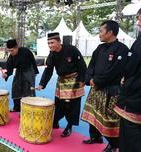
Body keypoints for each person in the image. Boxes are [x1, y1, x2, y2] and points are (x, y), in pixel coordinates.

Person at [81, 20, 129, 152]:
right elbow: (91, 65)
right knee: (93, 115)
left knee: (109, 119)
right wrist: (89, 78)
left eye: (101, 31)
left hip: (111, 90)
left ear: (110, 32)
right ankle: (95, 137)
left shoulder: (122, 50)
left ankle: (114, 145)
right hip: (96, 87)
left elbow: (115, 71)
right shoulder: (100, 48)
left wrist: (97, 81)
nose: (99, 34)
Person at [36, 32, 87, 137]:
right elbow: (48, 70)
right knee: (59, 104)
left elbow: (82, 65)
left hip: (75, 81)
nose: (50, 45)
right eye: (48, 43)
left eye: (52, 43)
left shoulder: (71, 50)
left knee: (72, 105)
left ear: (59, 42)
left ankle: (69, 126)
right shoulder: (52, 54)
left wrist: (82, 80)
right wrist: (42, 84)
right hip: (62, 81)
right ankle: (56, 121)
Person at [114, 8, 141, 152]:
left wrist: (124, 76)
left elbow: (131, 66)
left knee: (130, 136)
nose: (138, 22)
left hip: (135, 97)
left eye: (138, 18)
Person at [2, 39, 39, 112]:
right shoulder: (11, 56)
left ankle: (28, 109)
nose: (10, 52)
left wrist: (35, 72)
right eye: (9, 51)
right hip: (19, 72)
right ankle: (17, 107)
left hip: (29, 71)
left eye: (12, 50)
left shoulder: (26, 51)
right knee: (15, 87)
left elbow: (33, 61)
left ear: (16, 47)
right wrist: (6, 74)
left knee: (28, 90)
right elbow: (9, 67)